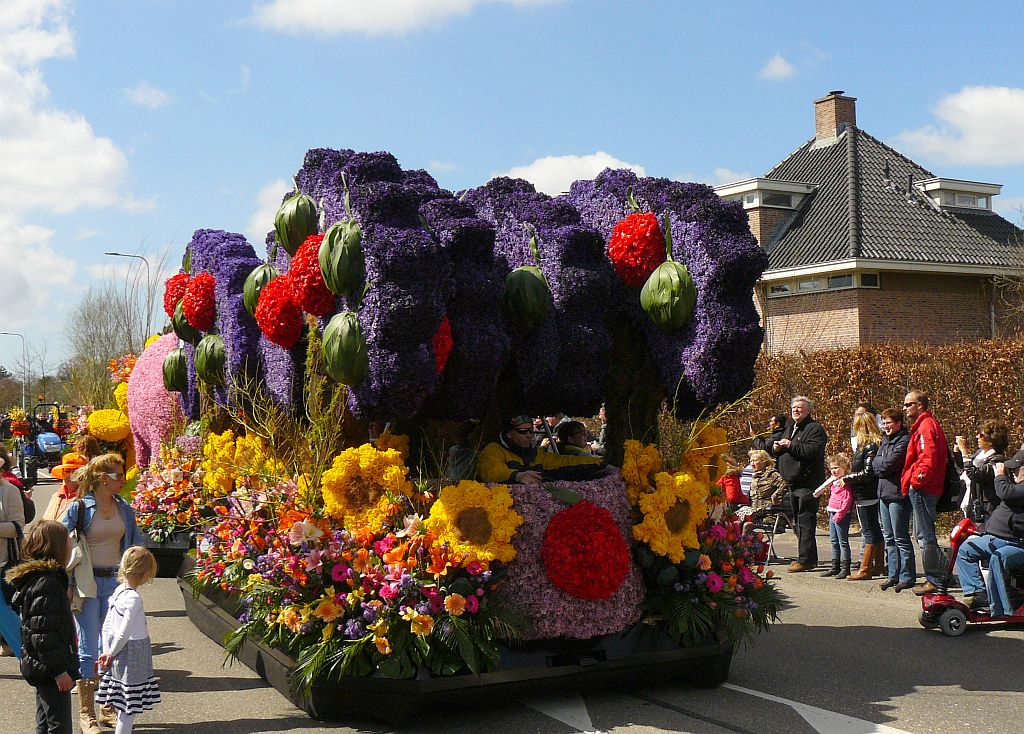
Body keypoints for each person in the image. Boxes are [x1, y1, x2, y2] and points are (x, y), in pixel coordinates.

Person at [62, 454, 144, 734]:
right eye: (118, 476)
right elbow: (61, 544)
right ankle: (87, 715)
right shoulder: (79, 508)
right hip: (87, 585)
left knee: (113, 646)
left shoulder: (125, 509)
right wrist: (67, 581)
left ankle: (107, 706)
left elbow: (135, 545)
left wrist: (135, 574)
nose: (123, 480)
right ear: (102, 479)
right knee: (88, 648)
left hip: (116, 584)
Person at [5, 520, 80, 734]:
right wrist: (59, 672)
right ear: (56, 546)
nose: (70, 545)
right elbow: (43, 634)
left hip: (41, 665)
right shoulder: (48, 583)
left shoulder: (41, 579)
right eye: (67, 541)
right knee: (59, 725)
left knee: (45, 721)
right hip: (50, 667)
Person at [95, 547, 161, 734]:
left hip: (117, 652)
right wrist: (111, 651)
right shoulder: (133, 599)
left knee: (122, 701)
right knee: (128, 707)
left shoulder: (118, 591)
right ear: (146, 573)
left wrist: (108, 650)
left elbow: (107, 624)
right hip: (133, 654)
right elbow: (125, 631)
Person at [953, 449, 1024, 616]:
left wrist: (999, 476)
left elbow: (1005, 492)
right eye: (1011, 469)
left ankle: (1001, 608)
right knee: (965, 550)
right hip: (995, 537)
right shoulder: (1014, 485)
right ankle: (978, 594)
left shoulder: (1018, 489)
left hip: (1016, 543)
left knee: (997, 558)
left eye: (1016, 468)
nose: (1012, 472)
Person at [900, 391, 949, 596]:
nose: (904, 408)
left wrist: (916, 481)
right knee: (924, 533)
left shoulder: (926, 426)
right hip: (926, 486)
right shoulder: (924, 425)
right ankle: (940, 575)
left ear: (919, 405)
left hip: (924, 488)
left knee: (924, 534)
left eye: (908, 404)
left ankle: (934, 579)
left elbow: (928, 457)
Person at [773, 396, 828, 572]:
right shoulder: (789, 428)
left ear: (809, 410)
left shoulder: (815, 429)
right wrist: (776, 448)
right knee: (798, 522)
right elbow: (775, 446)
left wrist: (790, 445)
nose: (796, 410)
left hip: (808, 483)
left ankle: (805, 559)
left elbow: (812, 451)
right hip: (792, 483)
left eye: (800, 408)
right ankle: (808, 557)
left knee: (806, 521)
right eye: (794, 408)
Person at [477, 415, 604, 484]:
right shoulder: (493, 450)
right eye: (523, 432)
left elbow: (563, 461)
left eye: (531, 431)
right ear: (509, 434)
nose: (529, 435)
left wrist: (599, 462)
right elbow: (490, 471)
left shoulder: (537, 453)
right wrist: (517, 476)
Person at [874, 409, 915, 592]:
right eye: (884, 423)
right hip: (883, 493)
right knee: (889, 537)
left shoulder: (904, 440)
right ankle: (893, 574)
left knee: (900, 537)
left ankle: (907, 576)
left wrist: (880, 464)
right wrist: (880, 464)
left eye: (889, 422)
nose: (886, 426)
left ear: (898, 423)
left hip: (898, 494)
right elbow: (875, 463)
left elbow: (891, 464)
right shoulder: (884, 440)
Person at [847, 412, 884, 581]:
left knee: (869, 529)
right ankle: (879, 566)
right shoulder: (870, 445)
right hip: (867, 492)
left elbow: (867, 473)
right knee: (874, 529)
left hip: (866, 492)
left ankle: (865, 568)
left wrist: (846, 479)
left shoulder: (868, 446)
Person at [954, 419, 1009, 525]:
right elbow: (965, 467)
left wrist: (965, 451)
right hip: (971, 503)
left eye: (981, 435)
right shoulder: (980, 454)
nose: (977, 437)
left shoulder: (996, 460)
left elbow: (974, 474)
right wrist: (958, 452)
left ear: (991, 440)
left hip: (986, 509)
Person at [815, 454, 855, 578]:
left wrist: (840, 514)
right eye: (832, 468)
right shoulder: (834, 482)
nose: (834, 471)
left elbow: (847, 501)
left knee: (843, 541)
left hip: (840, 514)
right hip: (832, 512)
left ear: (844, 468)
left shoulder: (845, 483)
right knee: (833, 540)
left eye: (836, 468)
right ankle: (835, 566)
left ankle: (845, 567)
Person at [1, 471, 27, 658]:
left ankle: (29, 654)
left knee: (4, 611)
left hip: (3, 562)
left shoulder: (9, 491)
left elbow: (17, 527)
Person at [738, 450, 787, 535]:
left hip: (770, 514)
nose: (752, 464)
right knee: (735, 523)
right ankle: (737, 546)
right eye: (751, 461)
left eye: (755, 461)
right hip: (755, 513)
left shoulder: (771, 474)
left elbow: (784, 484)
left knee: (747, 525)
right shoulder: (755, 476)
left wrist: (776, 495)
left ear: (764, 462)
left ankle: (743, 546)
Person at [44, 453, 89, 523]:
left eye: (75, 471)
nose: (70, 475)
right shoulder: (56, 496)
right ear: (62, 473)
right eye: (67, 471)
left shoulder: (88, 498)